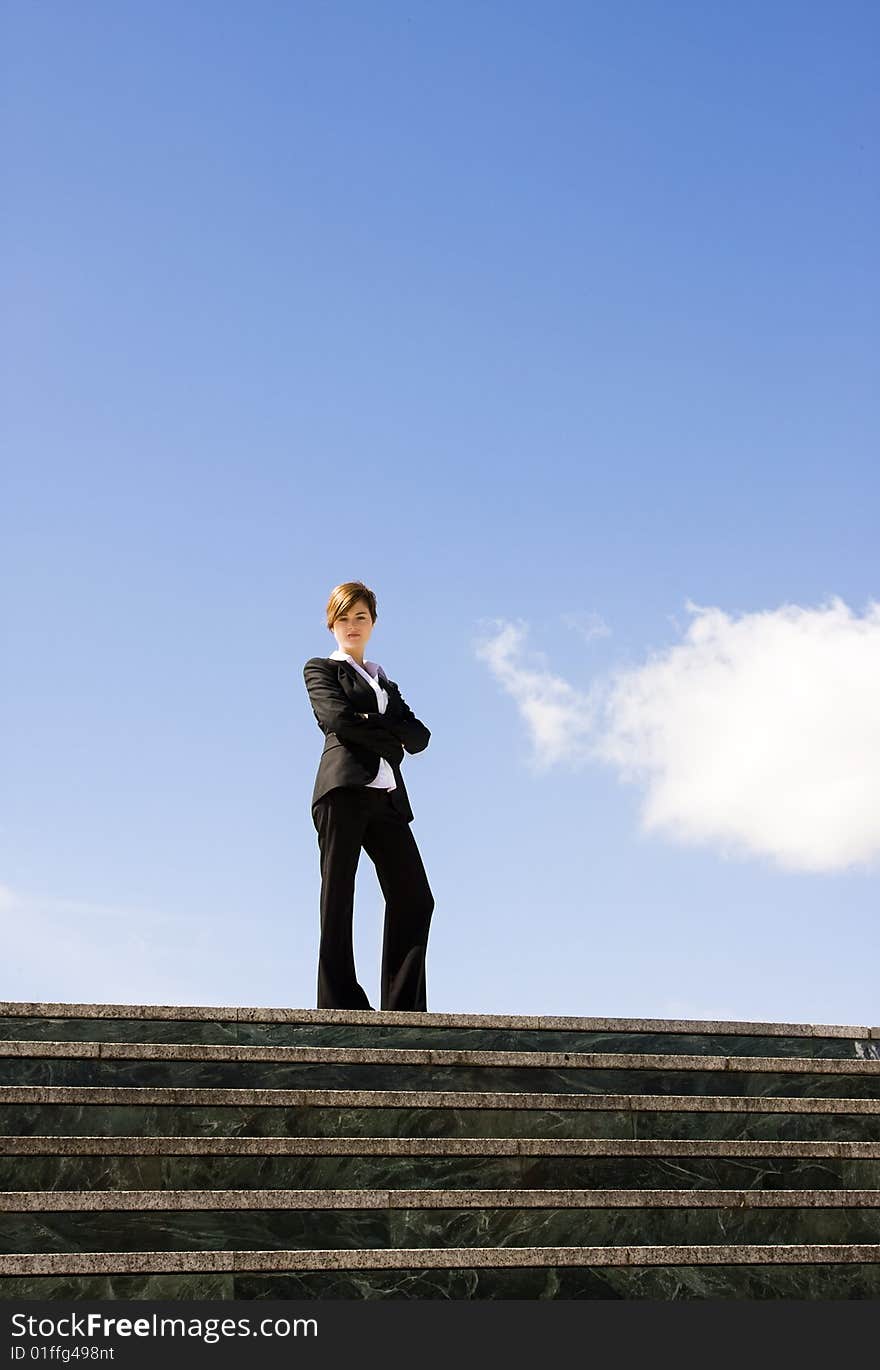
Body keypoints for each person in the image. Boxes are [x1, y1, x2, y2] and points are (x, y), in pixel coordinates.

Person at [303, 581, 434, 1011]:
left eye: (360, 616)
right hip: (342, 790)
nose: (352, 625)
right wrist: (388, 736)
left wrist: (374, 724)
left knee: (415, 896)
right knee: (338, 894)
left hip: (387, 800)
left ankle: (404, 1008)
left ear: (373, 623)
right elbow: (337, 718)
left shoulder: (384, 682)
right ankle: (340, 1002)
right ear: (331, 624)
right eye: (344, 617)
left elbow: (419, 738)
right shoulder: (321, 669)